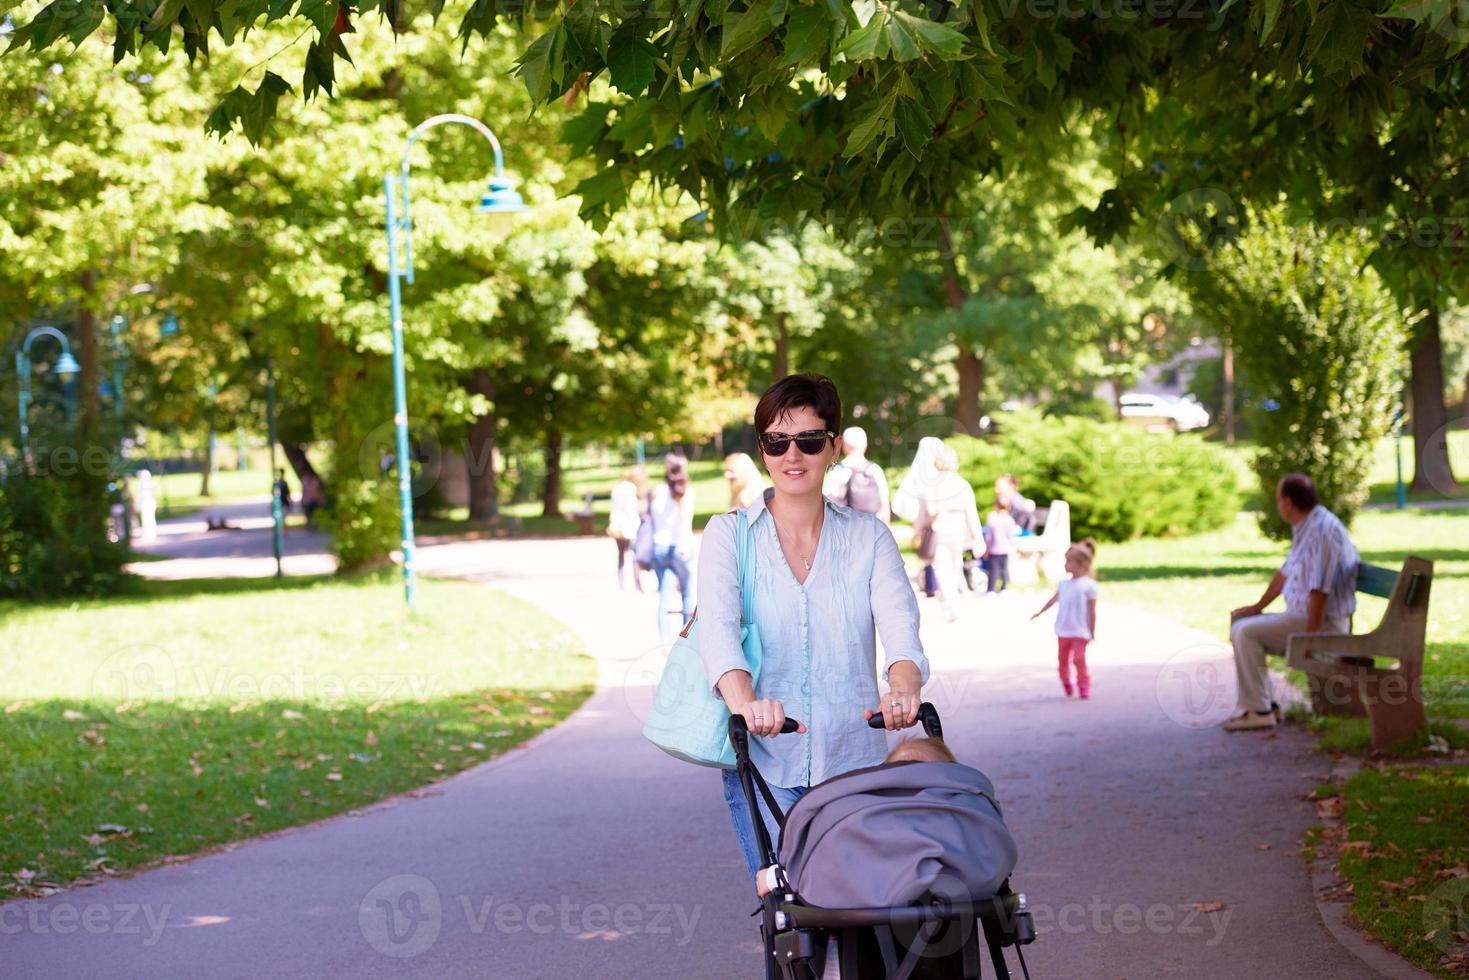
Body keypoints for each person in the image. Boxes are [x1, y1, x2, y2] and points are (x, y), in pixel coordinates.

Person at [699, 373, 929, 890]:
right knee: (793, 914)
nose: (793, 455)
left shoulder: (869, 538)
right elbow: (717, 634)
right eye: (777, 442)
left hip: (854, 758)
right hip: (763, 765)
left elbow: (901, 631)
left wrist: (904, 689)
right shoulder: (728, 536)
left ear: (832, 447)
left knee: (864, 906)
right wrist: (745, 703)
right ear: (763, 452)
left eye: (808, 440)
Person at [1224, 473, 1358, 731]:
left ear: (1288, 502)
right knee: (1241, 621)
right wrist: (1257, 607)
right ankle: (1266, 705)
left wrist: (1311, 638)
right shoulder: (1307, 526)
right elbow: (1285, 572)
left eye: (1277, 499)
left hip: (1323, 625)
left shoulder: (1322, 531)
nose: (1277, 505)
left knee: (1245, 632)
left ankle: (1259, 711)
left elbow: (1320, 591)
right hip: (1301, 617)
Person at [756, 737, 957, 899]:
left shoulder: (870, 833)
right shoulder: (953, 834)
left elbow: (823, 870)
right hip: (940, 920)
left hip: (868, 925)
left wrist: (774, 878)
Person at [912, 447, 983, 621]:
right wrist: (978, 538)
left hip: (940, 529)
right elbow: (971, 514)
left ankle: (950, 603)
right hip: (958, 530)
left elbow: (923, 514)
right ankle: (953, 602)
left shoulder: (930, 485)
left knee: (943, 568)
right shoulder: (962, 484)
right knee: (955, 565)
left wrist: (917, 533)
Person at [1031, 539, 1100, 698]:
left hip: (1080, 631)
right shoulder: (1063, 584)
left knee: (1079, 659)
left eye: (1069, 561)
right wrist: (1039, 612)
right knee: (1062, 661)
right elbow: (1053, 600)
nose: (1065, 565)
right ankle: (1066, 681)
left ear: (1082, 564)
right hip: (1063, 630)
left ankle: (1084, 685)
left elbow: (1092, 611)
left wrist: (1092, 631)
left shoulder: (1089, 586)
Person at [891, 437, 948, 597]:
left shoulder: (922, 473)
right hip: (940, 521)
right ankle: (936, 585)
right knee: (938, 554)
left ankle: (932, 585)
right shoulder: (940, 472)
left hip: (930, 521)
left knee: (931, 554)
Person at [650, 454, 696, 645]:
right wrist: (685, 545)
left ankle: (664, 641)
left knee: (665, 595)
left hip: (658, 546)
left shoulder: (657, 491)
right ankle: (686, 638)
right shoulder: (686, 491)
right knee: (687, 593)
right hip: (679, 547)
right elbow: (685, 522)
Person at [824, 425, 890, 523]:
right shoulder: (875, 469)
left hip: (847, 528)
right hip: (873, 526)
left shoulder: (837, 471)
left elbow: (829, 504)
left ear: (844, 446)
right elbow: (884, 504)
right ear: (865, 445)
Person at [607, 466, 647, 591]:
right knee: (634, 555)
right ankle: (638, 584)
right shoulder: (630, 488)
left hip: (617, 524)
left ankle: (621, 582)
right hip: (628, 526)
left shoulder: (617, 487)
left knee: (621, 555)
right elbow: (630, 508)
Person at [984, 497, 1020, 593]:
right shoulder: (1009, 520)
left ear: (996, 506)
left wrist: (986, 548)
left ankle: (991, 589)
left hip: (994, 548)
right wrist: (1014, 546)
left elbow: (989, 536)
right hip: (1005, 548)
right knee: (1004, 570)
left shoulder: (992, 519)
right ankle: (1004, 588)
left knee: (993, 570)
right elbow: (1011, 536)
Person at [133, 469, 157, 542]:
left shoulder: (143, 484)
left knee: (147, 519)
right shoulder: (148, 483)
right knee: (149, 518)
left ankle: (148, 534)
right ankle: (150, 533)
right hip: (149, 503)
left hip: (146, 503)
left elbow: (142, 495)